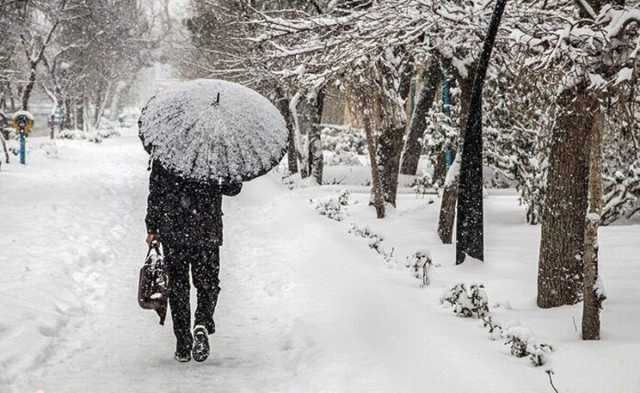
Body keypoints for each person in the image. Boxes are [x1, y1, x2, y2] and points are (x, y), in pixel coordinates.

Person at [145, 160, 242, 363]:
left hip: (173, 229)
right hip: (206, 230)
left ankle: (182, 343)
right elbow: (234, 188)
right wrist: (220, 176)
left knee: (178, 287)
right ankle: (202, 323)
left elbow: (155, 192)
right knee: (208, 283)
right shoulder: (215, 152)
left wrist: (152, 228)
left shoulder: (167, 151)